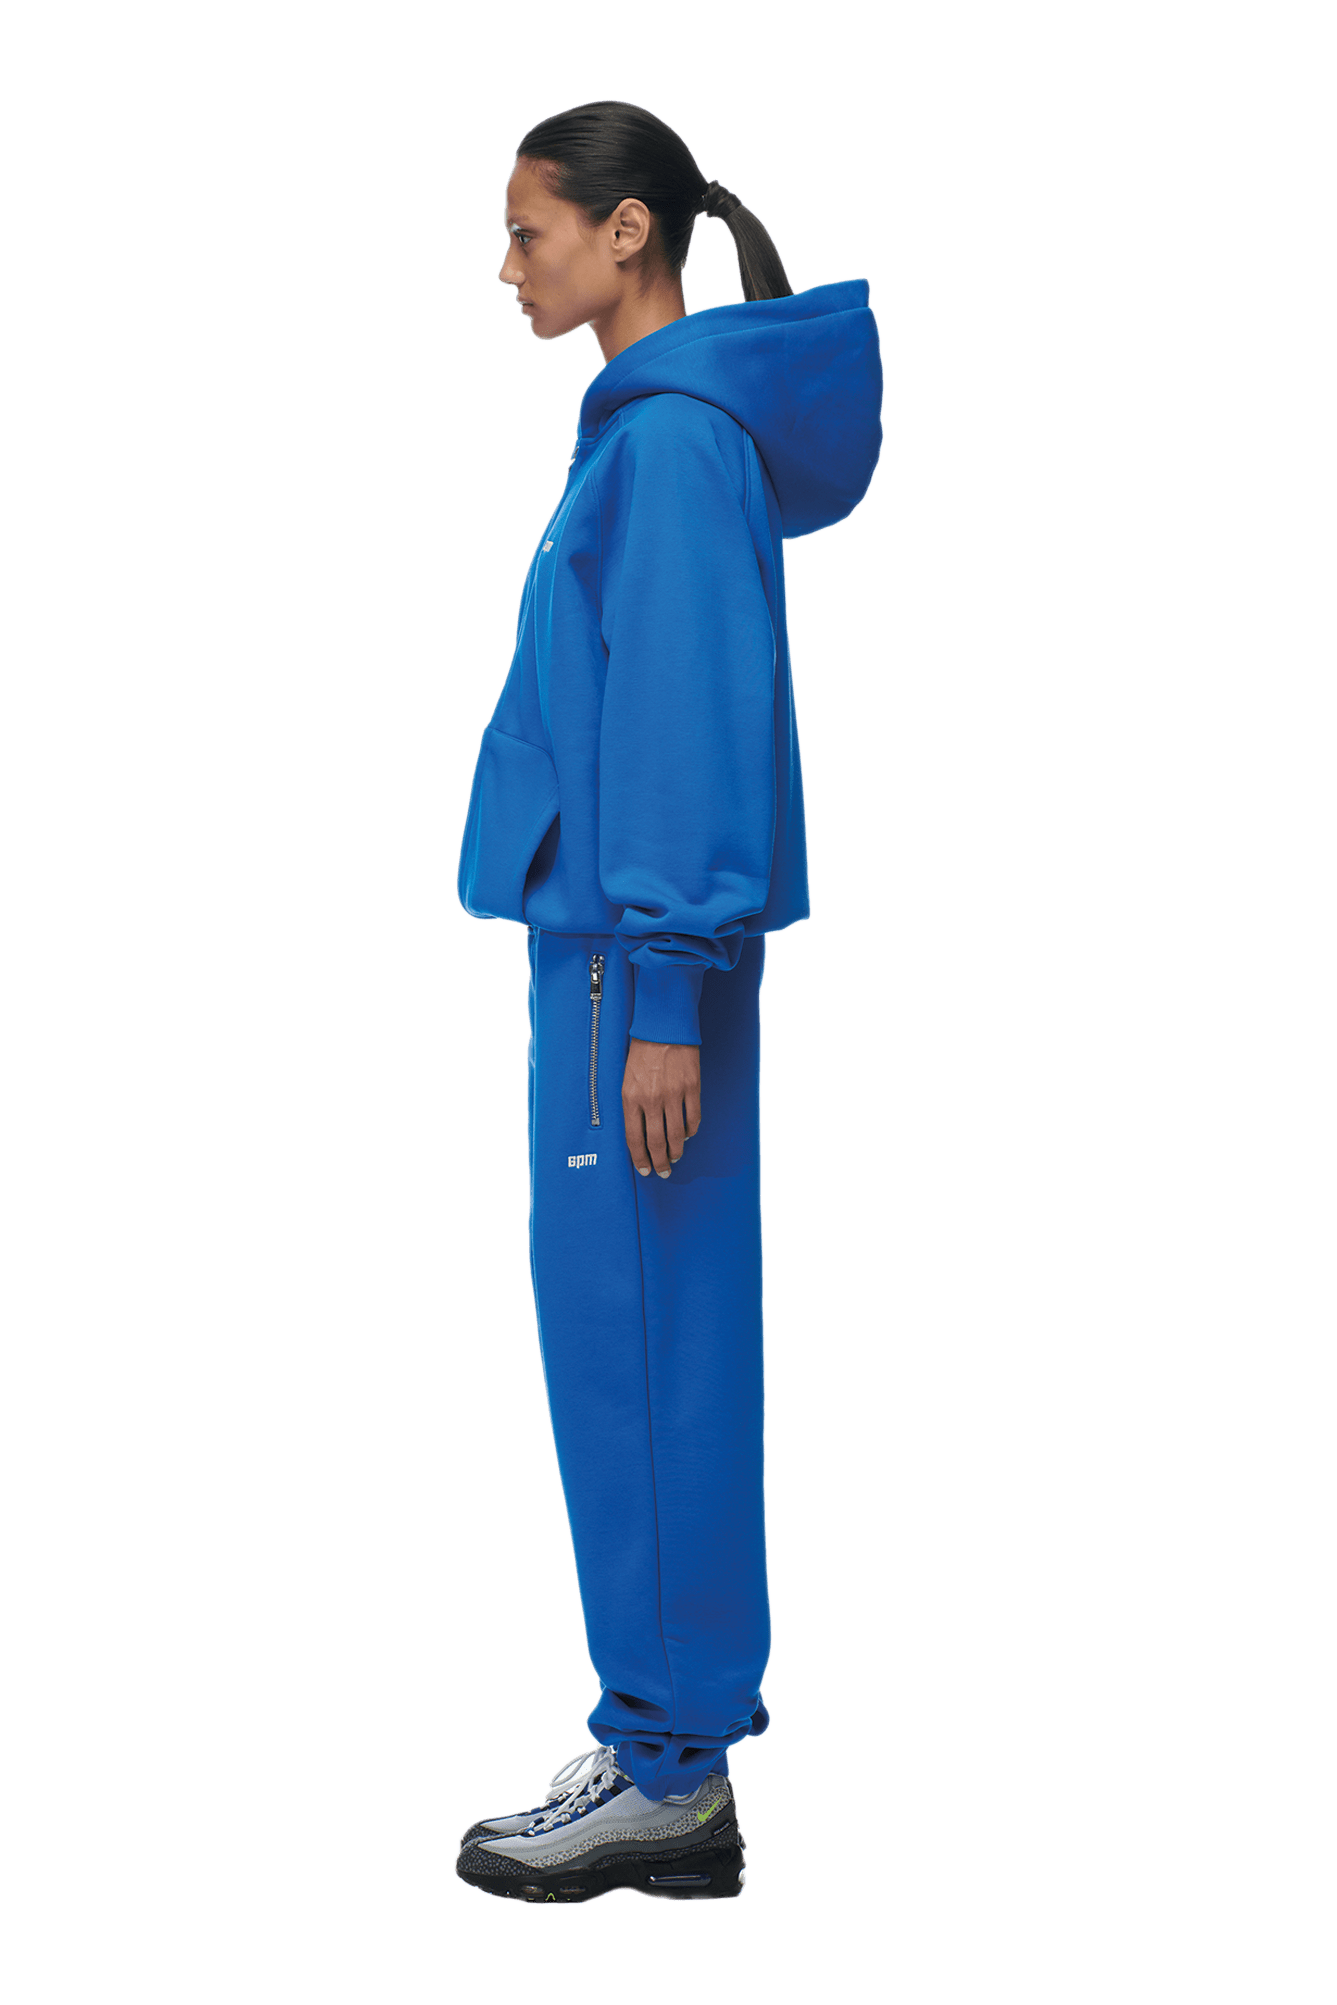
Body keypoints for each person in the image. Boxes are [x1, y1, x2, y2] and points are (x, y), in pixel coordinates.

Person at [451, 99, 883, 1905]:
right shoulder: (657, 428)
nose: (505, 267)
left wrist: (660, 1002)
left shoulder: (679, 442)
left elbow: (692, 725)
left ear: (627, 234)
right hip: (621, 955)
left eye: (527, 231)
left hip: (634, 969)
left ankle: (668, 1767)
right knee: (647, 1337)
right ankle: (665, 1737)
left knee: (637, 1348)